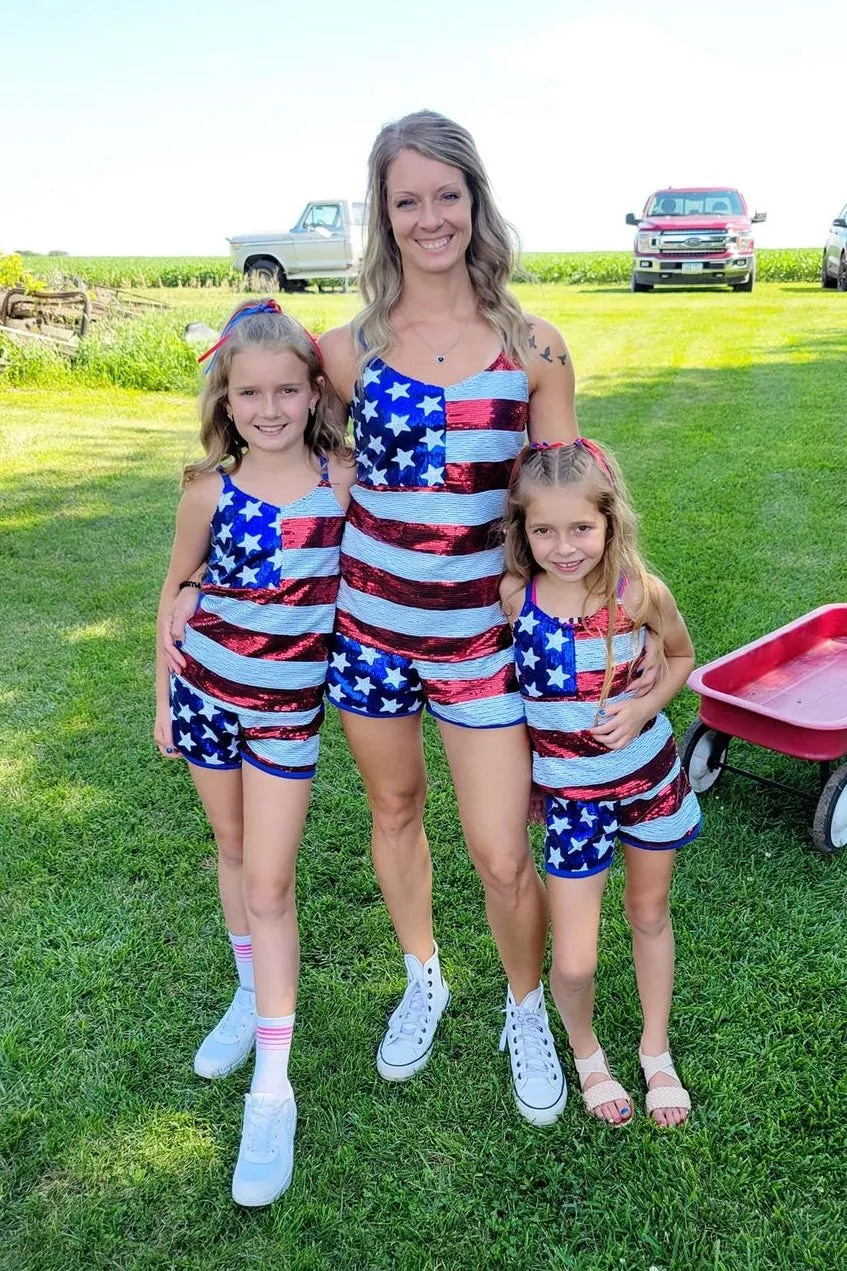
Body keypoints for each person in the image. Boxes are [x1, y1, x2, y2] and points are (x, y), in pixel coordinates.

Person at [315, 109, 580, 1126]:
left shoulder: (534, 346)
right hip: (370, 630)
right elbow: (292, 459)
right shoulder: (341, 351)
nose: (430, 218)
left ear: (477, 201)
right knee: (392, 811)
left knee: (503, 849)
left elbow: (561, 497)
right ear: (383, 214)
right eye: (407, 199)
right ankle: (423, 972)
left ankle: (526, 1008)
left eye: (447, 195)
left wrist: (593, 617)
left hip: (483, 639)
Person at [154, 300, 354, 1205]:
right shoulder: (206, 488)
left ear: (314, 392)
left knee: (271, 880)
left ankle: (272, 1092)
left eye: (285, 389)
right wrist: (164, 696)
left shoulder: (343, 484)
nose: (267, 407)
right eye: (248, 392)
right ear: (225, 399)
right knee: (231, 854)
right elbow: (173, 596)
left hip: (284, 715)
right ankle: (246, 991)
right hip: (205, 697)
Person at [500, 438, 701, 1128]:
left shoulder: (637, 591)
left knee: (648, 912)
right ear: (521, 530)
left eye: (581, 527)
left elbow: (680, 655)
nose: (563, 546)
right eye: (543, 529)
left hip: (649, 782)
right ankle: (586, 1053)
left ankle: (653, 1050)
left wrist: (645, 705)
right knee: (577, 958)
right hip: (572, 800)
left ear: (610, 522)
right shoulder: (513, 598)